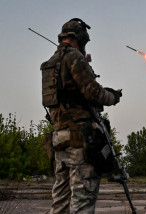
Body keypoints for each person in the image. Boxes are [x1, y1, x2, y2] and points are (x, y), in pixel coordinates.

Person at [41, 18, 122, 213]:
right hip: (80, 140)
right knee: (82, 203)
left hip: (59, 139)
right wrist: (113, 96)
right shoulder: (74, 58)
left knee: (60, 203)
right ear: (80, 38)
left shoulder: (50, 64)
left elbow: (68, 95)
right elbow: (93, 93)